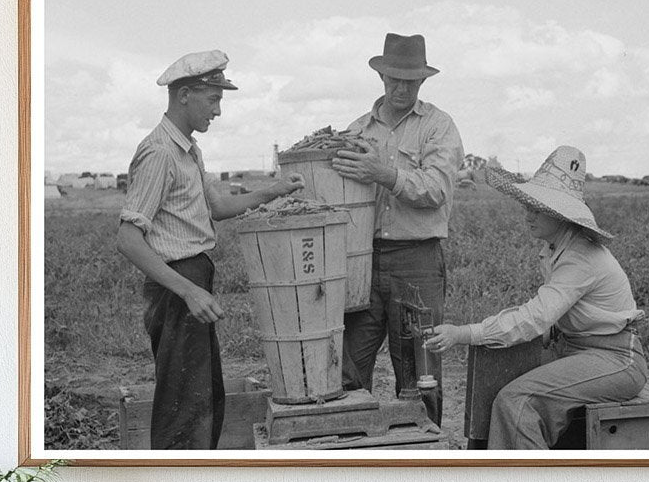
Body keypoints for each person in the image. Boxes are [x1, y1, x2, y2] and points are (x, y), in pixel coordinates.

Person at [117, 50, 303, 450]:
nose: (218, 111)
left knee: (204, 398)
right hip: (177, 286)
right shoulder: (160, 152)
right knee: (183, 407)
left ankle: (196, 475)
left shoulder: (189, 149)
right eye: (213, 99)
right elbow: (128, 238)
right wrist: (188, 291)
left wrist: (272, 190)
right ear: (184, 95)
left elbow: (217, 208)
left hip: (192, 280)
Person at [425, 145, 647, 449]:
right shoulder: (557, 246)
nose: (528, 214)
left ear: (561, 214)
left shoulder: (580, 256)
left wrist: (463, 333)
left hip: (616, 359)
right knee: (497, 378)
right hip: (575, 350)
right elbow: (546, 319)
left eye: (538, 208)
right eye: (528, 205)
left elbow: (534, 318)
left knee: (517, 400)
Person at [332, 33, 464, 425]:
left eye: (411, 80)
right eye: (395, 79)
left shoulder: (439, 127)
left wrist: (385, 174)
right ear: (382, 77)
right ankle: (355, 453)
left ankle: (422, 455)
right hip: (363, 262)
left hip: (417, 260)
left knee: (420, 370)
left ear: (423, 82)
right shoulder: (355, 131)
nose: (401, 87)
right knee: (349, 364)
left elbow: (437, 190)